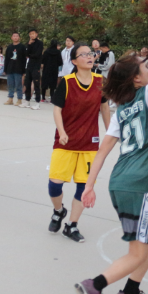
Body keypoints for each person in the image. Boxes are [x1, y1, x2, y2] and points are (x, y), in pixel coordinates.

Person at [75, 53, 148, 294]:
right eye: (146, 66)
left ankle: (130, 292)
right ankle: (94, 285)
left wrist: (89, 186)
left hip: (120, 181)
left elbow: (102, 151)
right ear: (137, 78)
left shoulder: (123, 108)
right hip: (141, 183)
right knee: (137, 253)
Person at [47, 42, 111, 242]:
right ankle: (58, 211)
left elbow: (104, 107)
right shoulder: (67, 82)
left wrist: (110, 132)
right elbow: (57, 109)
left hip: (89, 144)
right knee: (55, 185)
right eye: (83, 54)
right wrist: (61, 131)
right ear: (74, 61)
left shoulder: (100, 81)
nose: (89, 56)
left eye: (90, 53)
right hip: (65, 142)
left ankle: (71, 225)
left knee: (84, 187)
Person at [22, 29, 44, 109]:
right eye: (30, 34)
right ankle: (27, 101)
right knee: (27, 83)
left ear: (36, 34)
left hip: (36, 66)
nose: (32, 35)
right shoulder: (30, 43)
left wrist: (30, 55)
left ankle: (37, 102)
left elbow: (37, 54)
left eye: (33, 33)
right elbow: (26, 54)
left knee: (36, 84)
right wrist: (29, 45)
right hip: (29, 65)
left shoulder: (40, 43)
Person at [4, 34, 26, 106]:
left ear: (19, 37)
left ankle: (19, 99)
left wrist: (23, 70)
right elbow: (6, 59)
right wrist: (5, 69)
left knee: (18, 85)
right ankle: (10, 98)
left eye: (17, 36)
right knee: (10, 84)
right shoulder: (9, 47)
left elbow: (24, 59)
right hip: (10, 68)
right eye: (14, 36)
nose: (15, 37)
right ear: (11, 37)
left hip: (18, 69)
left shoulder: (22, 47)